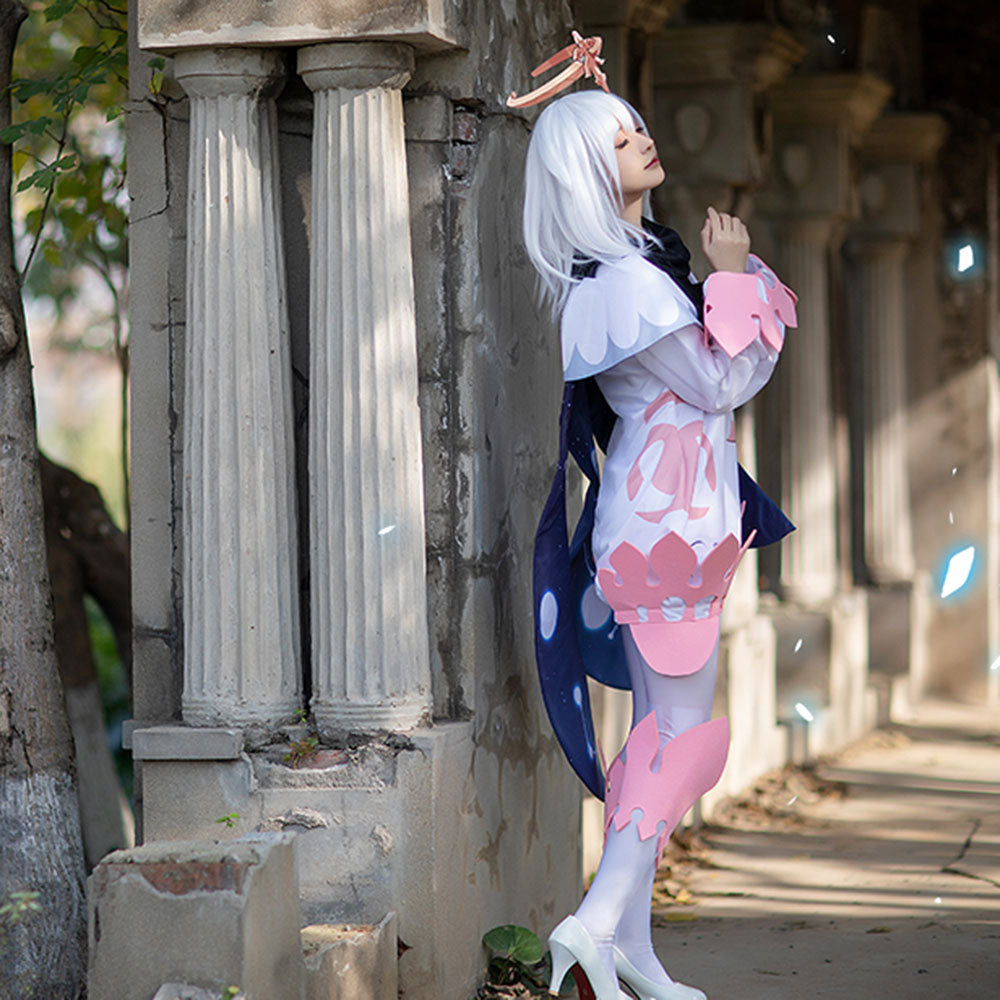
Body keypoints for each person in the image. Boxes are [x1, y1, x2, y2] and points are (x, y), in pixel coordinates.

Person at [520, 66, 799, 1000]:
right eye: (617, 137)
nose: (640, 138)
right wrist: (736, 278)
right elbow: (719, 382)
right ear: (582, 175)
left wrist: (725, 283)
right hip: (667, 526)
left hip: (664, 519)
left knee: (655, 736)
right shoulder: (625, 283)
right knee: (688, 739)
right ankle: (594, 922)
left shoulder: (630, 274)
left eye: (635, 124)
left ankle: (629, 950)